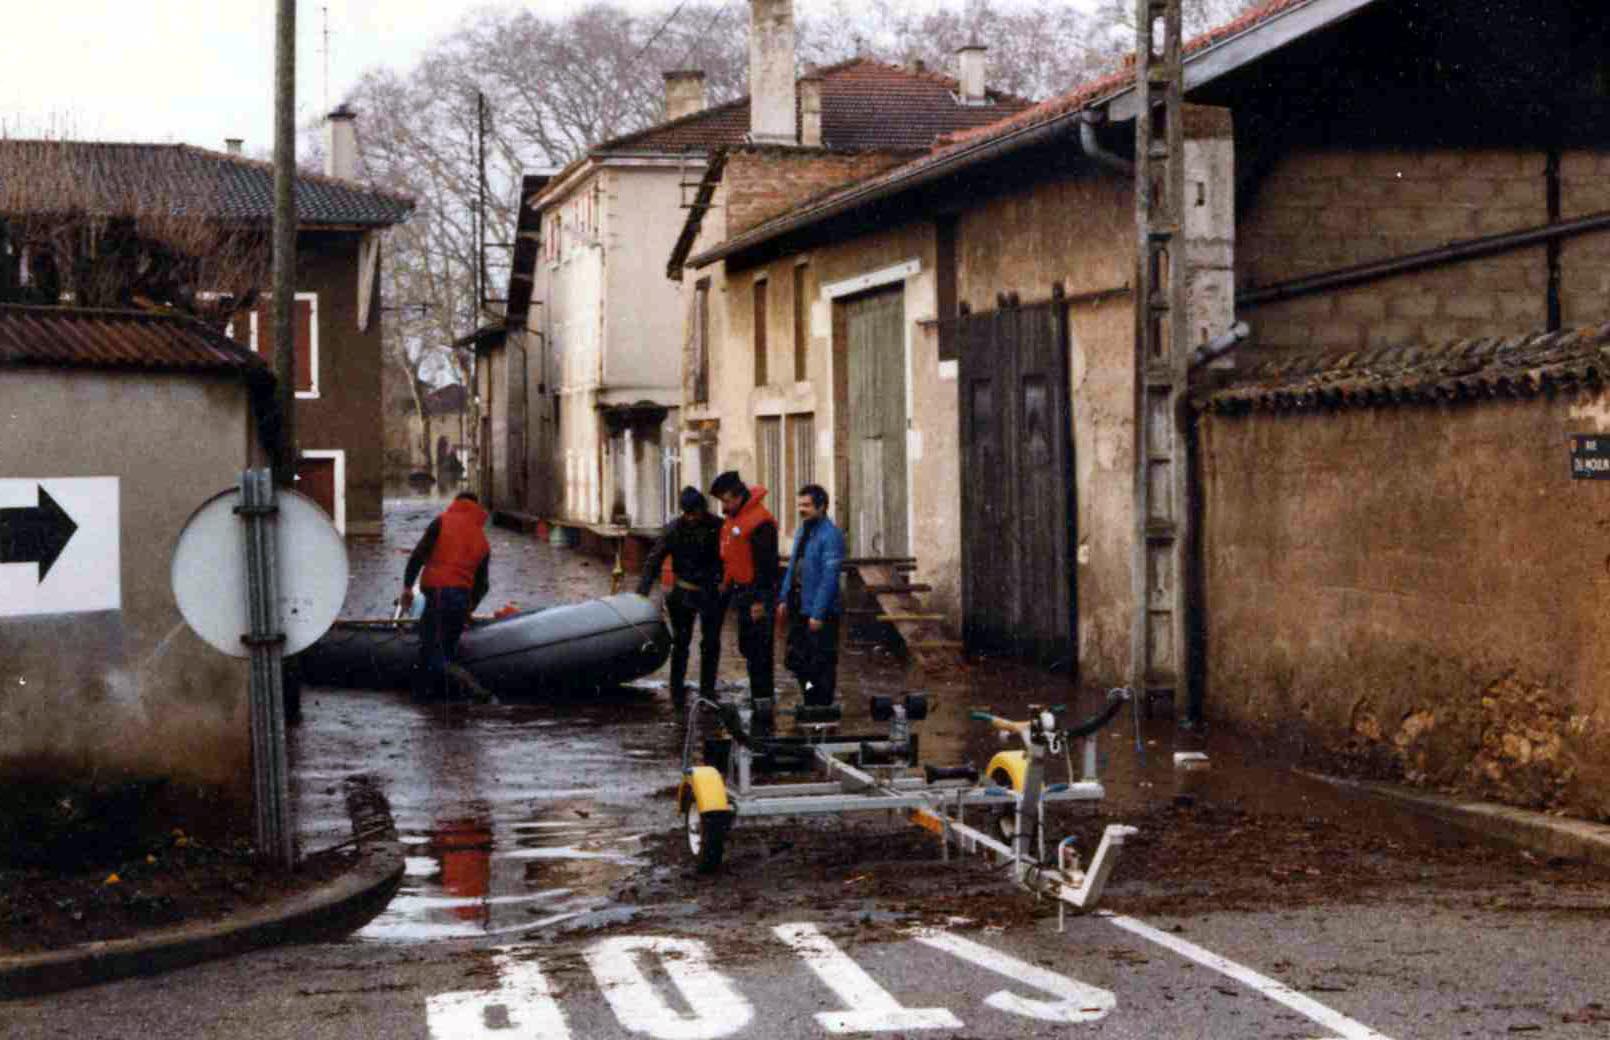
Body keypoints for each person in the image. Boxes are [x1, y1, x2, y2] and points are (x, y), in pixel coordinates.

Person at [638, 486, 724, 708]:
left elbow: (728, 557)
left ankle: (707, 690)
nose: (691, 517)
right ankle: (676, 690)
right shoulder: (674, 529)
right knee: (681, 642)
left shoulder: (717, 526)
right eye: (687, 513)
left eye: (695, 512)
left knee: (711, 642)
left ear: (702, 509)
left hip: (711, 592)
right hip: (683, 592)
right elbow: (653, 560)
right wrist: (641, 594)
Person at [401, 492, 492, 701]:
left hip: (438, 595)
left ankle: (477, 692)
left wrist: (407, 587)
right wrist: (469, 608)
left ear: (456, 503)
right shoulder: (482, 540)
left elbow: (418, 556)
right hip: (460, 599)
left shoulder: (441, 522)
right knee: (447, 651)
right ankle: (439, 703)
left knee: (431, 654)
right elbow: (482, 585)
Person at [709, 470, 778, 712]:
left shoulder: (761, 522)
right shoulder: (735, 518)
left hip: (757, 593)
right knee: (747, 645)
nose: (724, 507)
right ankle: (758, 694)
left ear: (738, 496)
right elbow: (733, 555)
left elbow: (766, 565)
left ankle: (763, 700)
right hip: (741, 591)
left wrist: (760, 601)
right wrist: (725, 582)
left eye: (726, 501)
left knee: (760, 649)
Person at [777, 484, 845, 707]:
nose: (801, 510)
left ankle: (822, 708)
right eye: (799, 505)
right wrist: (784, 598)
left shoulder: (830, 535)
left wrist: (818, 613)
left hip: (820, 612)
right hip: (799, 606)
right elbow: (793, 565)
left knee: (821, 664)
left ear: (822, 506)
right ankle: (809, 701)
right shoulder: (803, 531)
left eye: (806, 505)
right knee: (799, 661)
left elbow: (829, 578)